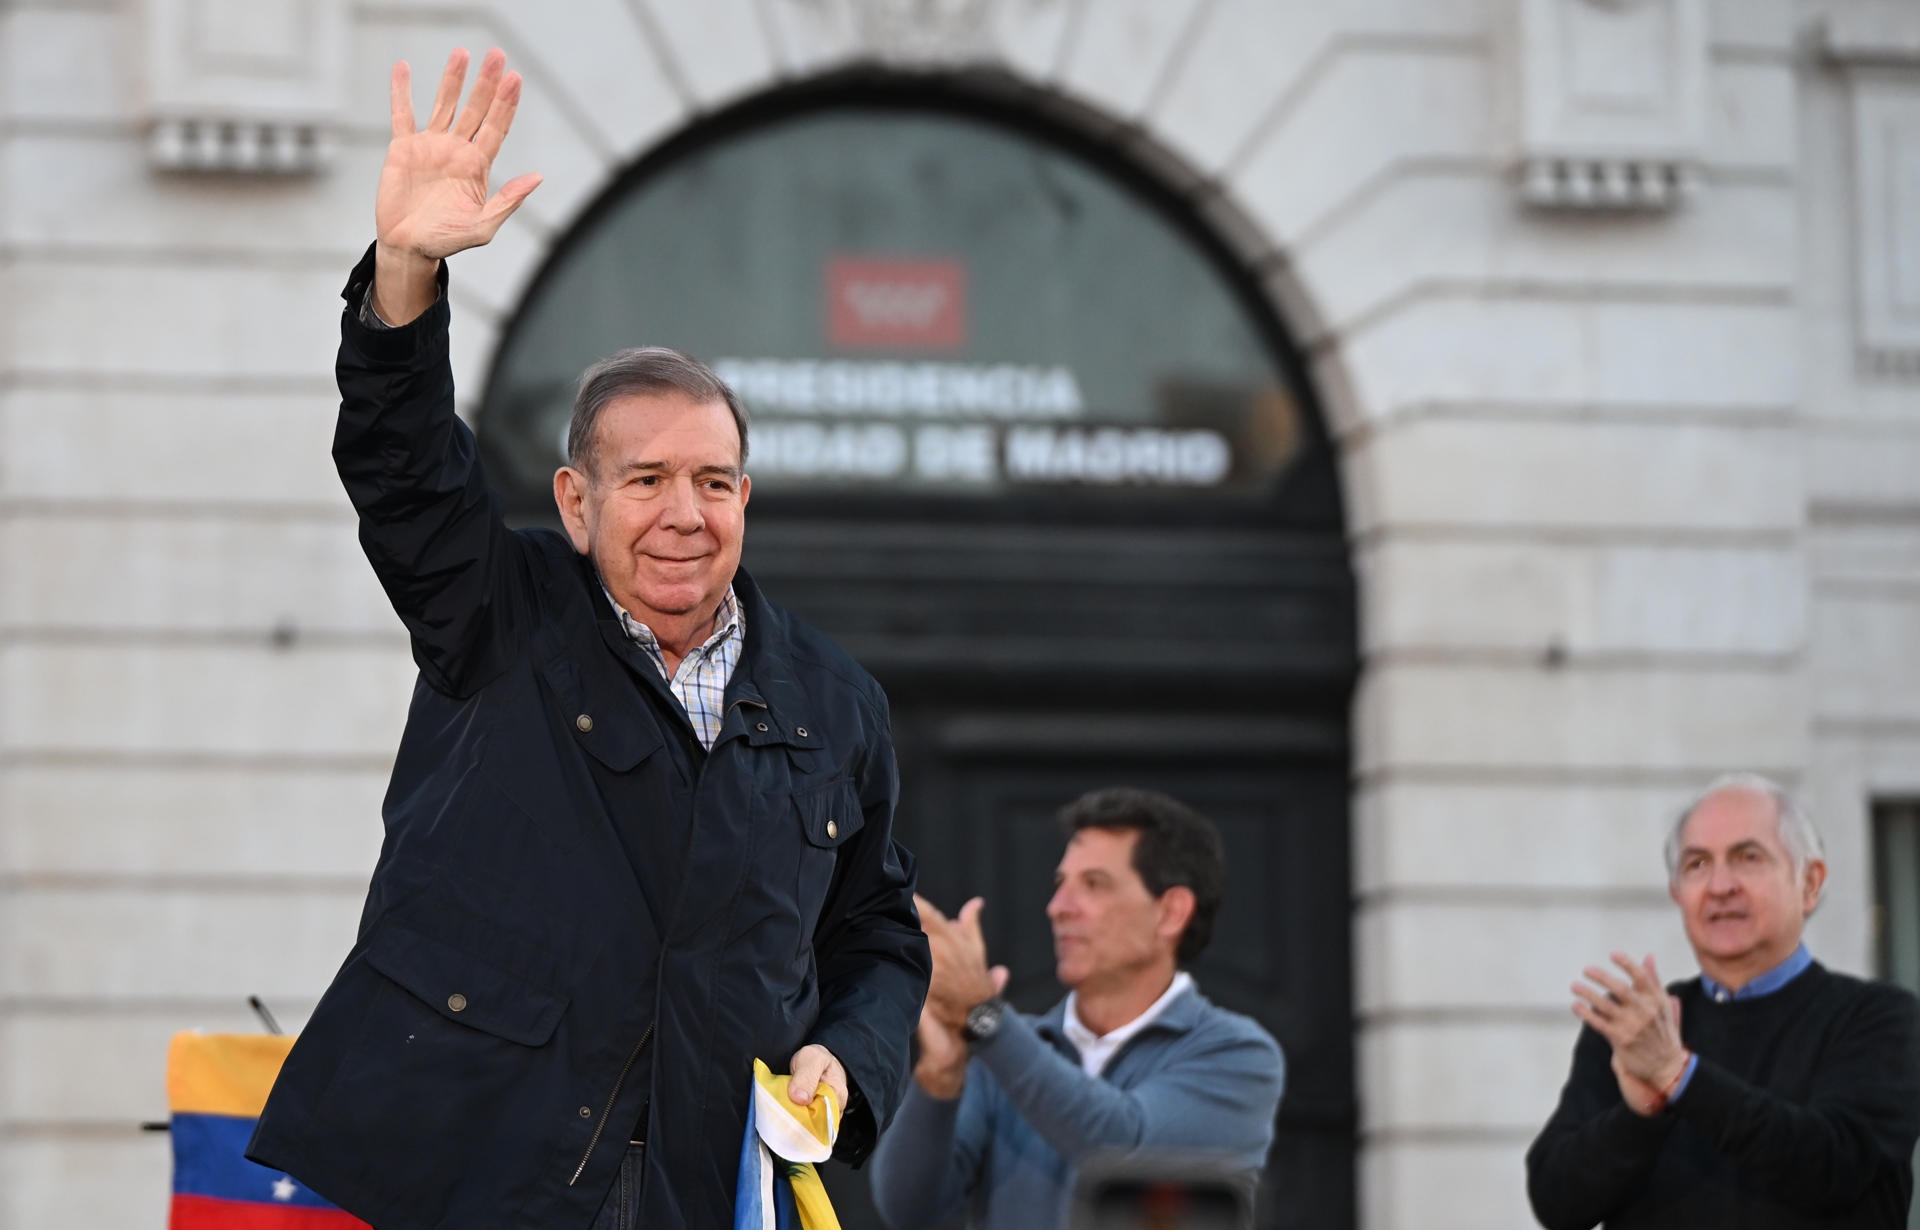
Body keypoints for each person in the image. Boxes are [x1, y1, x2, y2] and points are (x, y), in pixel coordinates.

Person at [246, 48, 930, 1230]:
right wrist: (406, 272)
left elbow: (877, 932)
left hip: (704, 1192)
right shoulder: (496, 612)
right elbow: (405, 471)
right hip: (475, 1182)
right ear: (575, 502)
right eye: (648, 478)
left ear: (747, 501)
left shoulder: (836, 700)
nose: (685, 514)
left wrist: (851, 1061)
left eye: (715, 481)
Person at [869, 786, 1285, 1229]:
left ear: (1171, 912)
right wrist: (942, 1071)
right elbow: (909, 1213)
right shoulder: (1001, 1050)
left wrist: (984, 1018)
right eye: (1060, 885)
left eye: (1093, 884)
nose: (1057, 908)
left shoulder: (1239, 1056)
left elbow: (1124, 1152)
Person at [1526, 774, 1920, 1229]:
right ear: (1678, 893)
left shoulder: (1881, 1020)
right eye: (1696, 865)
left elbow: (1831, 1165)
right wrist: (1638, 1117)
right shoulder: (1637, 1027)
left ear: (1810, 883)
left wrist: (1679, 1076)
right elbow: (1557, 1203)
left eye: (1747, 858)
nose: (1719, 885)